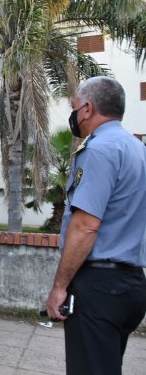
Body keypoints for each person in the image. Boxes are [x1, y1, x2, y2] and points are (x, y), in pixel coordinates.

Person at [45, 76, 146, 375]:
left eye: (75, 107)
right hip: (131, 285)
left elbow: (85, 226)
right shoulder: (138, 150)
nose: (74, 114)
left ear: (87, 109)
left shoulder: (99, 150)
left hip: (99, 288)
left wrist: (59, 287)